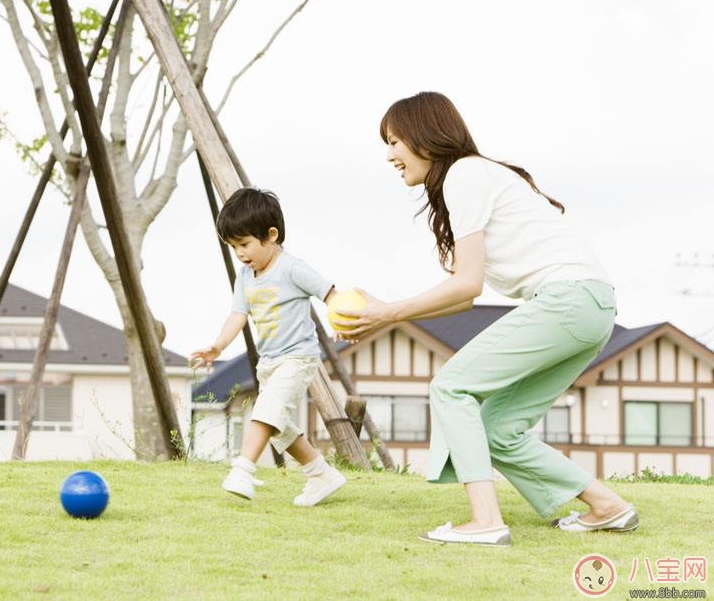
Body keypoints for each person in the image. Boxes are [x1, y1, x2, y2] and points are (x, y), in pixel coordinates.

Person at [336, 92, 637, 546]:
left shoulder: (463, 173)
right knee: (498, 429)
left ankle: (485, 521)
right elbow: (462, 295)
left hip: (568, 300)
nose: (389, 154)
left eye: (395, 140)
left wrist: (388, 313)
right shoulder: (472, 179)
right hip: (591, 307)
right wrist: (387, 314)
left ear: (425, 136)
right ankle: (607, 506)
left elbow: (468, 284)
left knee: (450, 386)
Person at [191, 187, 347, 507]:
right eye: (234, 247)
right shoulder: (247, 276)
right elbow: (238, 314)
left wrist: (343, 323)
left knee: (267, 412)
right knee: (278, 427)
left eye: (245, 244)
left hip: (298, 357)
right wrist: (218, 346)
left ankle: (243, 469)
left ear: (271, 235)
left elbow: (330, 293)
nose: (240, 253)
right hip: (270, 361)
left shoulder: (292, 268)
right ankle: (321, 474)